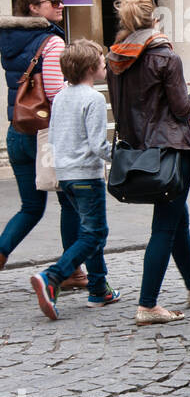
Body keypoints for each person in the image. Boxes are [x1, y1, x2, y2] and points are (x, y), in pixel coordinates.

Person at [105, 0, 190, 325]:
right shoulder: (165, 57)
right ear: (155, 21)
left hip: (138, 148)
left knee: (176, 218)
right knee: (165, 226)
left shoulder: (115, 58)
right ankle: (148, 304)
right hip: (170, 149)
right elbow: (181, 106)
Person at [29, 39, 118, 318]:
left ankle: (98, 289)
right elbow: (97, 144)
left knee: (89, 232)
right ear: (92, 68)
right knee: (95, 234)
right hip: (86, 175)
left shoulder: (62, 96)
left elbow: (54, 136)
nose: (105, 65)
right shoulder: (93, 98)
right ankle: (52, 276)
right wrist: (117, 156)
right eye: (103, 62)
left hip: (65, 175)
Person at [0, 0, 78, 276]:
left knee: (30, 207)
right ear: (34, 8)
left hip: (18, 131)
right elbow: (57, 93)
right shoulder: (52, 41)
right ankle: (72, 272)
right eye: (54, 2)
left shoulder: (11, 43)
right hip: (45, 136)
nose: (61, 6)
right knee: (70, 204)